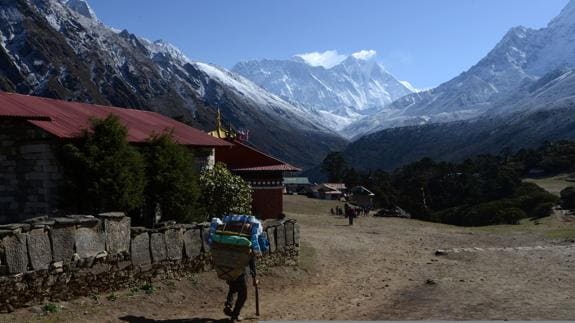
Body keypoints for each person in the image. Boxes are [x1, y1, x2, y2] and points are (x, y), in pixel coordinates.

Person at [224, 252, 258, 321]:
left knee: (233, 288)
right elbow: (252, 264)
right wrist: (254, 278)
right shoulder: (249, 247)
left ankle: (229, 304)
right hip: (242, 273)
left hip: (230, 270)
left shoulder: (232, 244)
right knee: (243, 295)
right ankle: (236, 314)